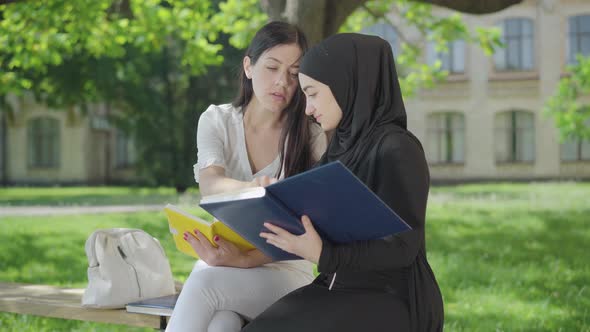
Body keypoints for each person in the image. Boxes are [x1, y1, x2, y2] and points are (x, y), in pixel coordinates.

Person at [242, 33, 444, 332]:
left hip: (392, 298)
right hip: (335, 286)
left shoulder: (397, 148)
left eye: (312, 93)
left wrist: (324, 254)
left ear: (345, 85)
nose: (308, 109)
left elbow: (403, 247)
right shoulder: (339, 150)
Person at [165, 22, 327, 332]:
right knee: (222, 324)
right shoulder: (217, 120)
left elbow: (310, 228)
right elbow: (210, 184)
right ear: (248, 66)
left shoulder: (310, 136)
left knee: (203, 283)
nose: (282, 82)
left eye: (293, 74)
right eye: (272, 67)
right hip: (228, 263)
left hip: (287, 270)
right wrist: (255, 188)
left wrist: (244, 260)